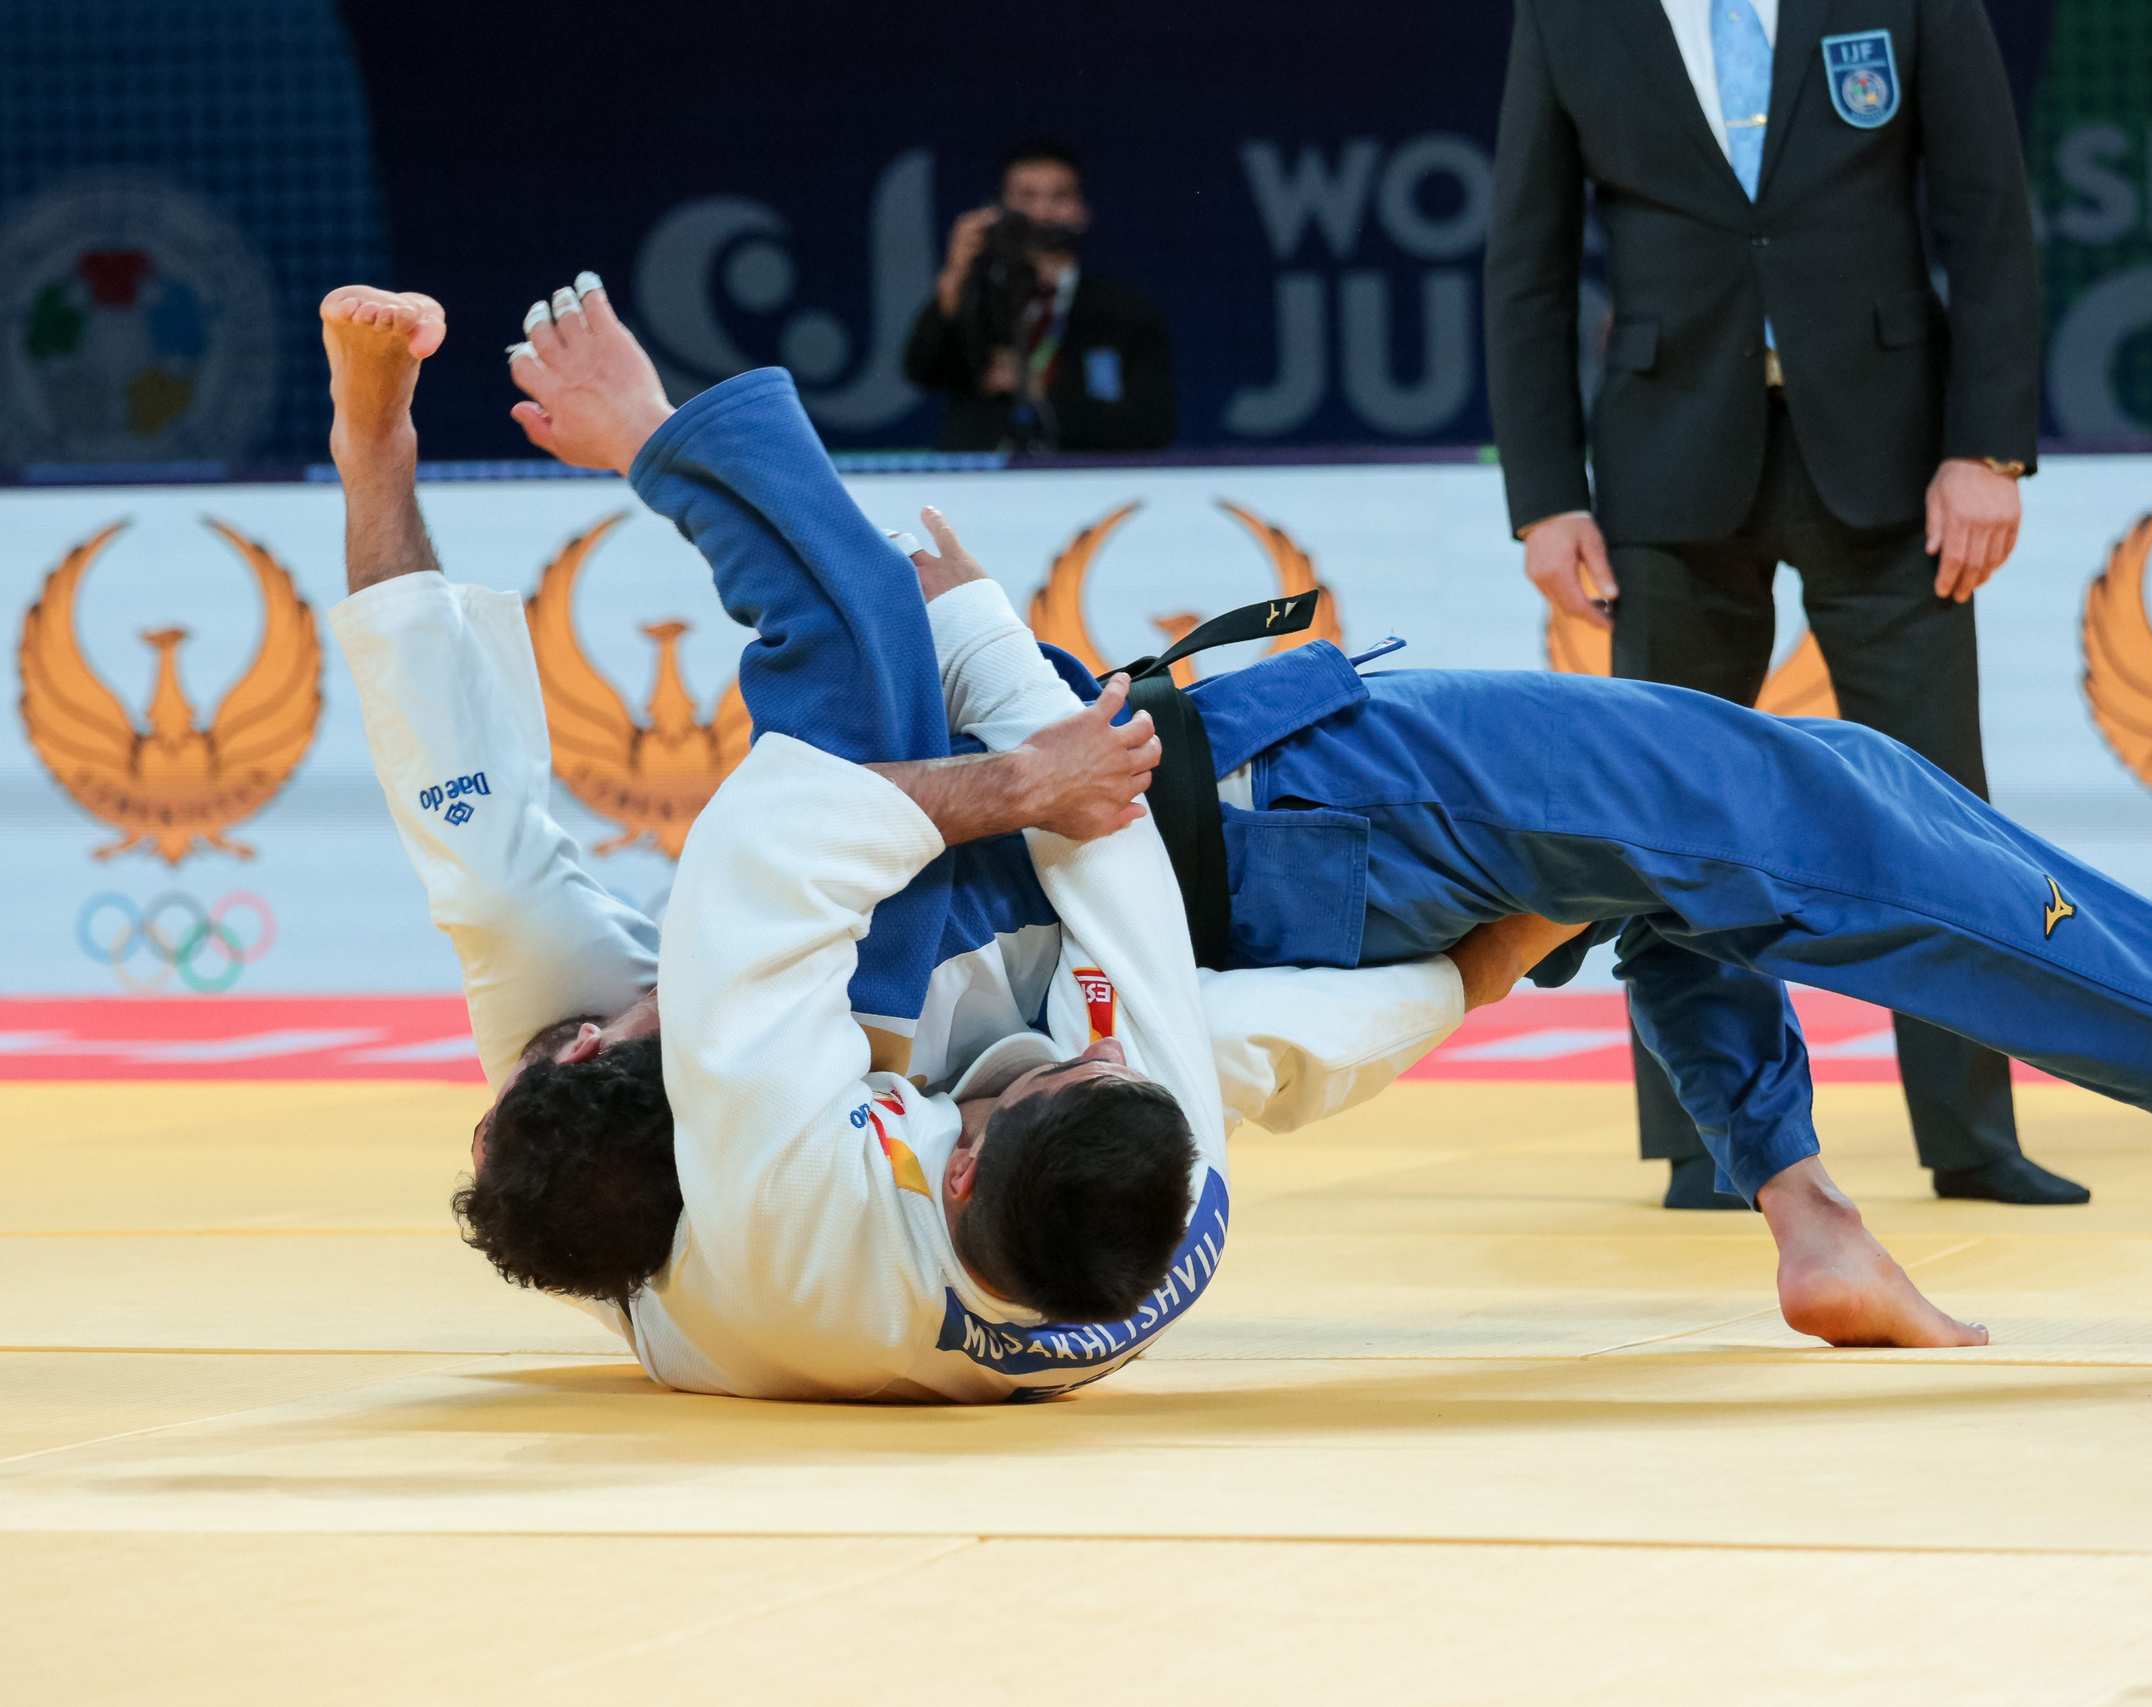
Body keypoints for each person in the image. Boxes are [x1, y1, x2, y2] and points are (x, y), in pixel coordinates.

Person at [491, 275, 2152, 1357]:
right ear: (616, 1059)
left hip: (1280, 865)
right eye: (603, 1020)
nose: (619, 992)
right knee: (1815, 797)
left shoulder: (768, 1252)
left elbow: (1214, 1036)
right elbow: (833, 641)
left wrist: (1451, 972)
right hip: (1300, 799)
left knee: (1675, 845)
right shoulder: (791, 1020)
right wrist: (661, 435)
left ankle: (1803, 1210)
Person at [321, 281, 1490, 1402]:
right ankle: (657, 446)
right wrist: (1031, 766)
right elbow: (1231, 1037)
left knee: (482, 858)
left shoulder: (625, 1224)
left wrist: (1477, 978)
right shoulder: (809, 1205)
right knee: (863, 666)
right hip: (915, 1022)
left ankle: (372, 452)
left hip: (684, 1133)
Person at [1486, 0, 2076, 1208]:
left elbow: (1986, 212)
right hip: (1665, 456)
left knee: (1935, 804)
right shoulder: (1569, 16)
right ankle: (1710, 1143)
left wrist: (1988, 447)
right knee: (1672, 819)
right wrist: (1545, 497)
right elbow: (1527, 260)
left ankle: (1972, 1137)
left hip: (1893, 453)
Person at [901, 139, 1177, 453]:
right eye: (1026, 197)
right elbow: (921, 370)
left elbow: (1151, 428)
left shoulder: (1123, 311)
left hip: (1082, 485)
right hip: (980, 482)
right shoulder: (980, 298)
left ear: (1082, 210)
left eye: (1059, 197)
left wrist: (1044, 389)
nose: (1042, 212)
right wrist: (955, 273)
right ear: (997, 209)